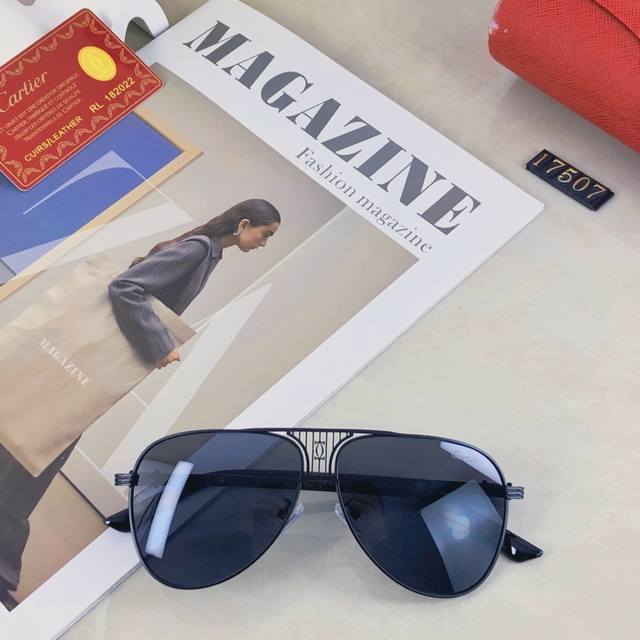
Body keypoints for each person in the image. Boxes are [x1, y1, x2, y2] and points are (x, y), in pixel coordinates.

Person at [0, 199, 281, 610]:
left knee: (28, 452)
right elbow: (126, 287)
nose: (264, 242)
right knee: (37, 456)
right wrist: (159, 344)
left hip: (79, 370)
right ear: (243, 224)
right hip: (82, 373)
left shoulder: (205, 252)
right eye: (265, 234)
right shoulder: (199, 250)